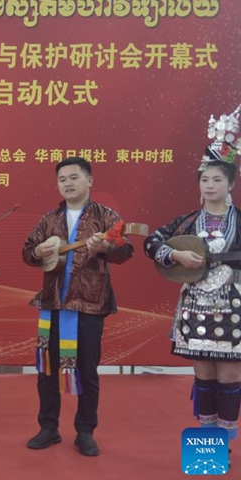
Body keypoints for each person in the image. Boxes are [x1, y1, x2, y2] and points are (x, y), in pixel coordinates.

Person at [144, 106, 241, 455]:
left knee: (230, 377)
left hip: (232, 309)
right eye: (205, 179)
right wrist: (177, 256)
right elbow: (151, 241)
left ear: (231, 183)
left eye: (217, 179)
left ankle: (226, 444)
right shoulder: (186, 222)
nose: (210, 185)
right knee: (203, 376)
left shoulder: (239, 222)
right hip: (196, 309)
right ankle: (207, 447)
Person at [22, 156, 133, 456]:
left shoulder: (106, 216)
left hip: (89, 304)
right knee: (47, 369)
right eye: (62, 179)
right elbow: (27, 251)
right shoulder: (50, 219)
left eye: (74, 177)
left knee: (87, 370)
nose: (68, 183)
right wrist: (38, 250)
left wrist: (107, 247)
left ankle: (85, 430)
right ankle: (48, 427)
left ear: (90, 180)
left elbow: (126, 250)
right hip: (52, 303)